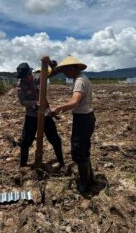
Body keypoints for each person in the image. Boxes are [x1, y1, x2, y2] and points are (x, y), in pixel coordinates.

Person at [51, 56, 96, 194]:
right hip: (87, 117)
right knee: (84, 148)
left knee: (78, 150)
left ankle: (85, 184)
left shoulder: (79, 81)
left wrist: (58, 108)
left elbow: (74, 102)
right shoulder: (82, 78)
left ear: (73, 68)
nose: (64, 73)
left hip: (83, 119)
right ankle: (90, 178)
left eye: (65, 69)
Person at [16, 62, 64, 167]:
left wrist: (52, 67)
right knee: (25, 142)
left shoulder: (37, 78)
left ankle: (61, 162)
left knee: (55, 139)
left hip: (45, 114)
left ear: (30, 73)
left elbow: (48, 74)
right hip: (31, 116)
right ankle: (23, 165)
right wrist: (34, 104)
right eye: (23, 78)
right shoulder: (20, 85)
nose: (26, 79)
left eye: (27, 76)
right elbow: (23, 101)